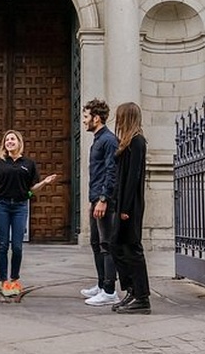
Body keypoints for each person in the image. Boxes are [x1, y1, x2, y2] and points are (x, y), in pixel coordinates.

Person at [0, 130, 57, 297]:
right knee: (3, 244)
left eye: (12, 139)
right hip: (2, 205)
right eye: (7, 140)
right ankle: (3, 281)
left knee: (17, 246)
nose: (9, 142)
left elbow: (32, 189)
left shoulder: (28, 163)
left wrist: (44, 182)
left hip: (20, 206)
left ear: (19, 142)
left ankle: (14, 279)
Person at [110, 102, 151, 314]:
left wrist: (125, 208)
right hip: (122, 204)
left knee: (132, 249)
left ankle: (142, 297)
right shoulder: (126, 142)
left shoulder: (137, 141)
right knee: (117, 246)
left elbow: (134, 177)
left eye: (119, 116)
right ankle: (132, 291)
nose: (117, 120)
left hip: (130, 206)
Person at [79, 98, 121, 307]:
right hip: (96, 198)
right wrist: (93, 200)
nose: (84, 121)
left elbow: (111, 172)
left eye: (86, 117)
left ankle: (110, 291)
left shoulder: (108, 140)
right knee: (96, 244)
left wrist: (103, 199)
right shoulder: (99, 139)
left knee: (106, 245)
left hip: (105, 201)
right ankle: (101, 284)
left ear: (96, 118)